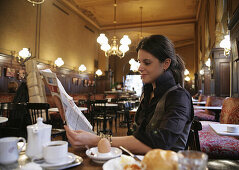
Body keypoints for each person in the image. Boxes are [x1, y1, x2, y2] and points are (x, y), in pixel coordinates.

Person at [64, 35, 194, 154]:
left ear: (166, 63)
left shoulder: (179, 96)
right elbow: (137, 136)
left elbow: (160, 142)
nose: (139, 68)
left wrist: (97, 140)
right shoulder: (148, 92)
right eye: (139, 62)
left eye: (147, 63)